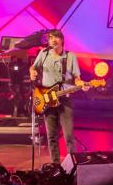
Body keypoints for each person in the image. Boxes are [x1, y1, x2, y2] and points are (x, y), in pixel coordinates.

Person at [30, 29, 85, 165]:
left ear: (62, 40)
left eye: (56, 38)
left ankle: (73, 165)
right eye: (51, 38)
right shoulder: (44, 53)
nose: (53, 40)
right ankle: (55, 165)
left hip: (64, 99)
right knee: (51, 136)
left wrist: (82, 84)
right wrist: (32, 72)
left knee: (68, 136)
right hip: (47, 100)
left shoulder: (70, 56)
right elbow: (33, 67)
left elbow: (77, 78)